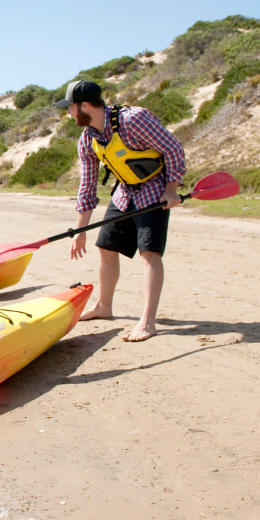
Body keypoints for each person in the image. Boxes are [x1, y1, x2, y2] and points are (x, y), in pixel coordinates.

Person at [57, 80, 187, 342]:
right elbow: (88, 184)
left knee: (149, 252)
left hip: (154, 189)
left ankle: (148, 322)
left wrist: (171, 189)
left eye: (70, 108)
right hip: (125, 191)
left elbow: (173, 148)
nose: (68, 113)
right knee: (106, 246)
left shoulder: (134, 119)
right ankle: (104, 307)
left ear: (85, 105)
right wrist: (80, 230)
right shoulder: (87, 140)